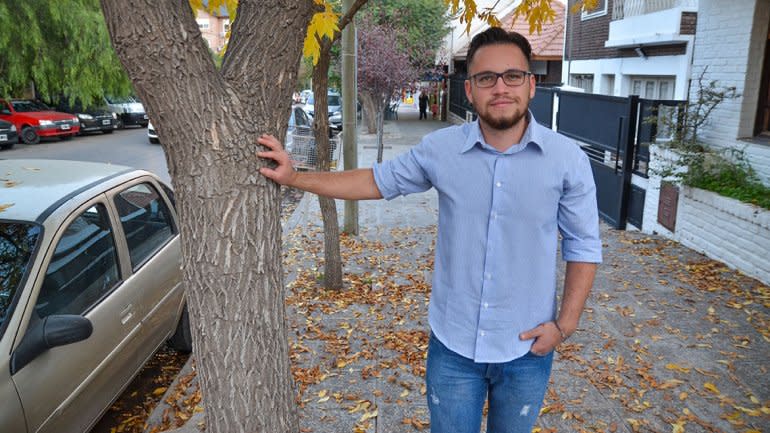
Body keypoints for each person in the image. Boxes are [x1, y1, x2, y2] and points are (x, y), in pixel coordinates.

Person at [258, 27, 601, 433]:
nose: (500, 87)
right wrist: (296, 178)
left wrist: (565, 325)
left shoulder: (567, 160)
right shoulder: (441, 149)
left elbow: (583, 245)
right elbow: (374, 182)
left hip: (528, 348)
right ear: (470, 90)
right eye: (486, 78)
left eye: (512, 76)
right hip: (453, 349)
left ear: (531, 84)